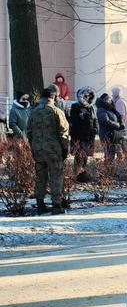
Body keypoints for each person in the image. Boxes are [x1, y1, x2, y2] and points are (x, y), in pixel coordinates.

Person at [26, 85, 70, 215]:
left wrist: (34, 145)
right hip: (53, 150)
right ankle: (57, 205)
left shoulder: (33, 112)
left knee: (40, 177)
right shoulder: (56, 111)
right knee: (56, 176)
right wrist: (65, 148)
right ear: (53, 97)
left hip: (38, 149)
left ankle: (40, 204)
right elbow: (64, 133)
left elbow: (29, 131)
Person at [69, 87, 98, 181]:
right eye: (85, 95)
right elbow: (76, 120)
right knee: (78, 156)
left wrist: (95, 129)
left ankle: (84, 175)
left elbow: (94, 120)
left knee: (85, 157)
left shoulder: (92, 108)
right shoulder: (75, 106)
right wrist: (84, 117)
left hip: (89, 136)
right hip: (78, 136)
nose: (87, 97)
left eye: (89, 96)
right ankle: (76, 175)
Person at [96, 93, 124, 162]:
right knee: (109, 155)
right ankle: (108, 170)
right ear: (104, 100)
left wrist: (120, 124)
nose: (110, 100)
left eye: (109, 98)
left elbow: (117, 118)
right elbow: (105, 121)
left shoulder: (111, 109)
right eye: (108, 99)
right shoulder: (101, 109)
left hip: (114, 135)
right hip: (106, 135)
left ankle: (113, 170)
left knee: (118, 154)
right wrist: (118, 125)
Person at [111, 87, 127, 158]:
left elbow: (121, 115)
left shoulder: (119, 102)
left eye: (113, 93)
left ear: (116, 93)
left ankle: (121, 159)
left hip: (120, 126)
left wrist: (116, 124)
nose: (112, 95)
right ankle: (126, 158)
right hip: (123, 125)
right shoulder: (123, 100)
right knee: (121, 143)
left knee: (119, 143)